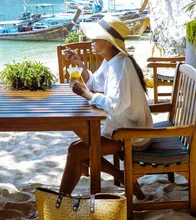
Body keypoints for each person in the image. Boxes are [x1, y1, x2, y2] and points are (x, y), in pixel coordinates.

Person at [59, 14, 152, 197]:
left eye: (96, 37)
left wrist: (85, 94)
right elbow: (94, 83)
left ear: (109, 43)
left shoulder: (120, 65)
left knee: (76, 151)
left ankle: (60, 201)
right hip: (122, 127)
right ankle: (124, 177)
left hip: (131, 134)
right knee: (80, 148)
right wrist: (79, 63)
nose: (91, 40)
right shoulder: (112, 61)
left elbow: (114, 105)